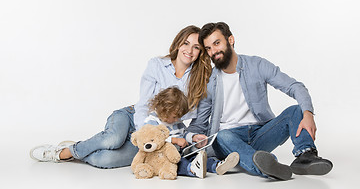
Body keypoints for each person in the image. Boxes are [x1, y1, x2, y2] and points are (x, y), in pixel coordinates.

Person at [30, 25, 212, 169]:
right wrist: (144, 135)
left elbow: (197, 121)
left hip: (161, 136)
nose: (190, 50)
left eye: (196, 47)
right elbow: (143, 106)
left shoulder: (201, 79)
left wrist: (190, 137)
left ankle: (87, 147)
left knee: (106, 159)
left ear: (200, 52)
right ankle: (64, 152)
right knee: (113, 140)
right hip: (135, 118)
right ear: (178, 43)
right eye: (186, 43)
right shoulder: (157, 65)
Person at [185, 22, 333, 180]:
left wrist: (308, 113)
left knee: (296, 110)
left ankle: (305, 156)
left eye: (217, 43)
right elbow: (199, 123)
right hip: (228, 142)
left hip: (259, 134)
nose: (213, 51)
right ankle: (266, 166)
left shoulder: (257, 65)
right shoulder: (210, 81)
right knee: (222, 135)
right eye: (208, 48)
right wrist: (187, 138)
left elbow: (294, 86)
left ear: (231, 40)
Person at [144, 86, 239, 179]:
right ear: (164, 110)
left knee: (196, 155)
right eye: (174, 117)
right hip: (164, 156)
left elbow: (183, 134)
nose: (177, 119)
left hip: (182, 152)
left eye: (179, 117)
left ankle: (216, 166)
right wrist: (175, 140)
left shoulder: (176, 121)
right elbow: (152, 141)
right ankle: (192, 169)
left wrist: (193, 137)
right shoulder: (152, 121)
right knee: (179, 162)